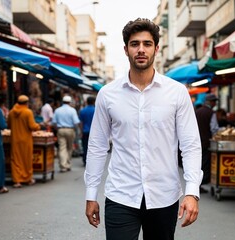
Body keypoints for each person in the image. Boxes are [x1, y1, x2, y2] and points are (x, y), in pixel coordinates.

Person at [84, 18, 202, 240]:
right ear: (126, 49)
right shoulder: (108, 94)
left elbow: (190, 145)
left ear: (156, 48)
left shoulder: (176, 93)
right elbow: (97, 146)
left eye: (147, 44)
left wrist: (192, 191)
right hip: (121, 195)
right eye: (134, 44)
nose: (141, 49)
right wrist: (91, 194)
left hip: (164, 196)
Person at [7, 95, 41, 188]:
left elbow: (8, 125)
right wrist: (38, 126)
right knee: (26, 159)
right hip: (26, 140)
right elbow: (32, 126)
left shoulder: (11, 112)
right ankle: (27, 179)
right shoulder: (27, 112)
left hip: (15, 139)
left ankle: (17, 181)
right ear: (26, 103)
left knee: (16, 159)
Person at [195, 93, 219, 193]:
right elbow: (214, 129)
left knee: (198, 164)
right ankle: (199, 184)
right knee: (204, 164)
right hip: (205, 142)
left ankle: (197, 185)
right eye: (214, 101)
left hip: (196, 141)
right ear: (211, 102)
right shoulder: (211, 113)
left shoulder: (197, 111)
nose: (215, 103)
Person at [52, 95, 80, 172]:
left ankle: (63, 165)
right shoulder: (72, 110)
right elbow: (76, 122)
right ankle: (67, 164)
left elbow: (54, 122)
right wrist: (75, 130)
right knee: (69, 147)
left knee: (62, 148)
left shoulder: (57, 110)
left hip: (60, 130)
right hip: (70, 130)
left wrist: (57, 129)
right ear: (69, 102)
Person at [79, 96, 96, 166]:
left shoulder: (83, 110)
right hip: (94, 132)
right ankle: (92, 161)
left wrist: (81, 131)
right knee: (94, 147)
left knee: (85, 146)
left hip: (85, 131)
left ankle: (85, 160)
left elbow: (81, 122)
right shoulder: (96, 110)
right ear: (93, 102)